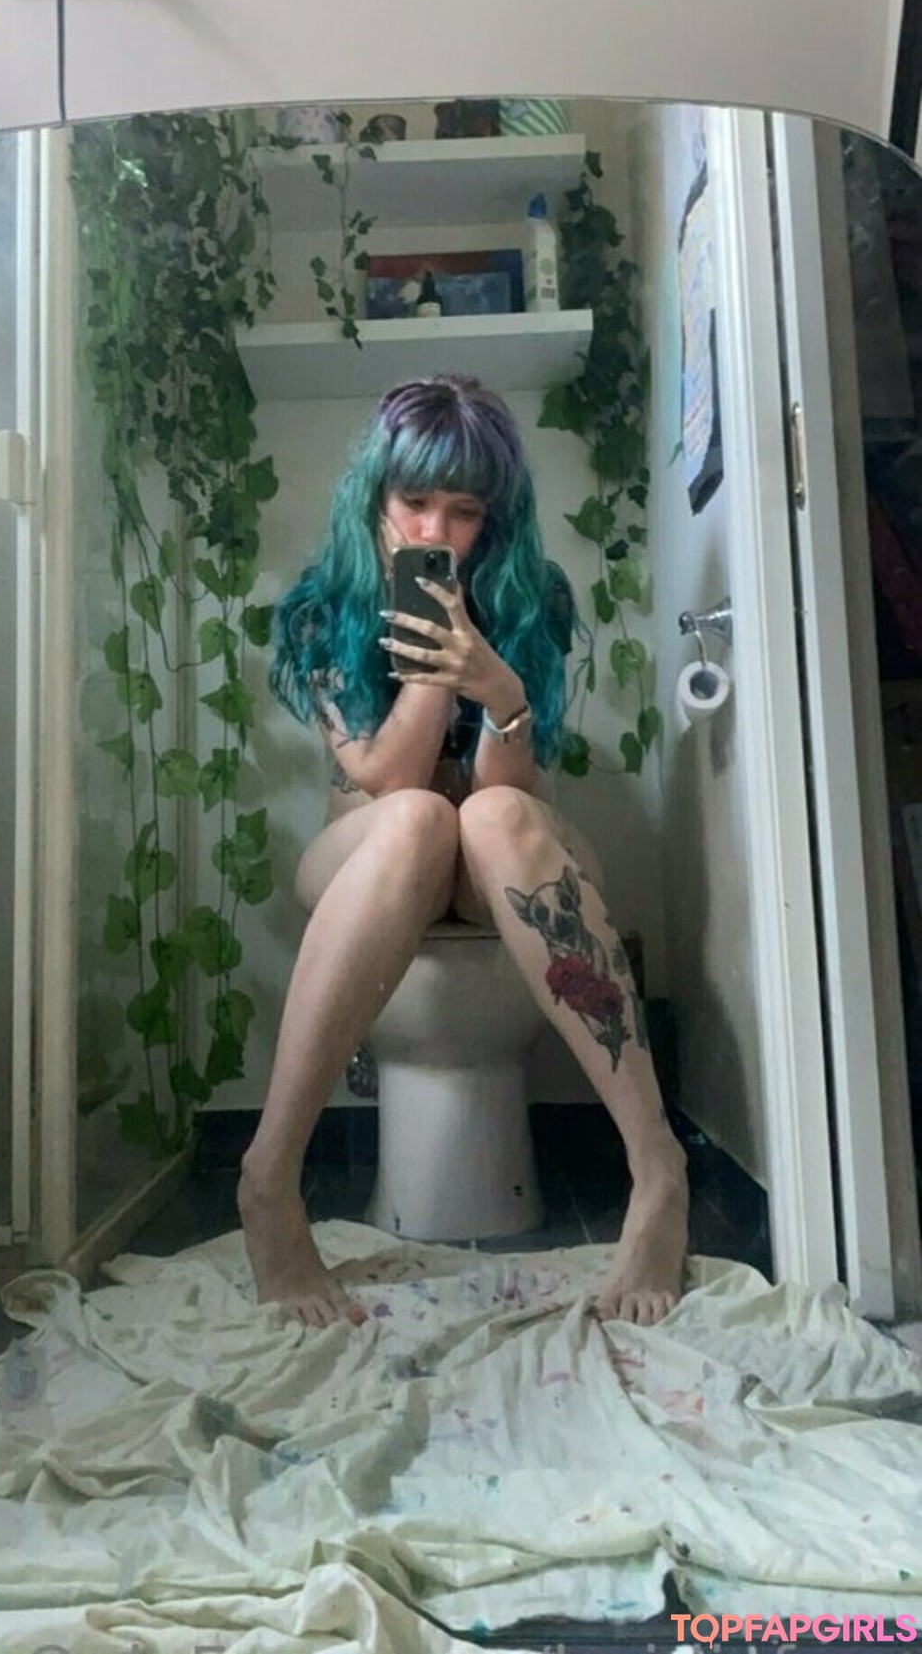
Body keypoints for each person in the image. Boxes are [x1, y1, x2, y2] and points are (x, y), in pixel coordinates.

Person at [238, 375, 688, 1329]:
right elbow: (386, 779)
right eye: (414, 500)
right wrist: (440, 664)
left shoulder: (534, 599)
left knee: (485, 817)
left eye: (464, 510)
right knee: (419, 819)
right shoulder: (325, 606)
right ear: (376, 497)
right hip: (373, 843)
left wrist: (502, 689)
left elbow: (505, 791)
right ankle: (269, 1178)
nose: (434, 528)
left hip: (497, 850)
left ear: (495, 519)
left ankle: (658, 1169)